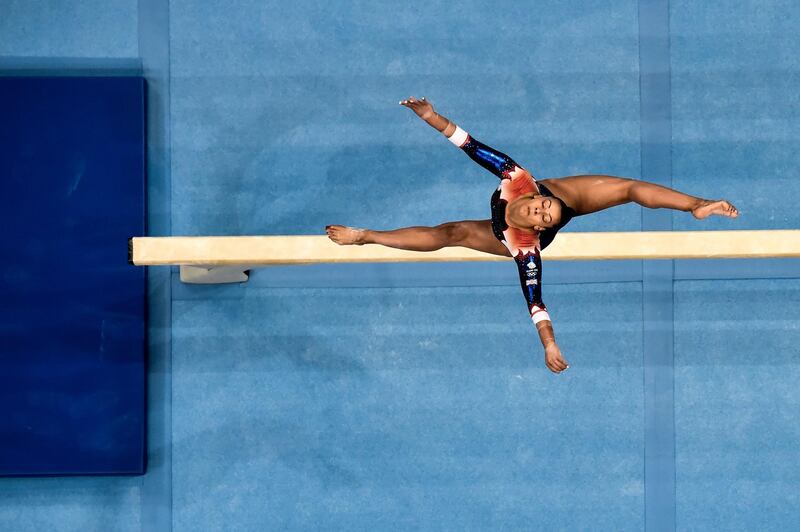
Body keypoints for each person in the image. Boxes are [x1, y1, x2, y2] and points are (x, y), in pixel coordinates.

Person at [326, 97, 739, 374]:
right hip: (567, 195)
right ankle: (696, 202)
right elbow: (470, 145)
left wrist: (549, 344)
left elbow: (536, 301)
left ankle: (367, 236)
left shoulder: (525, 248)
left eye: (544, 215)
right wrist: (430, 115)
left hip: (499, 232)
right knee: (623, 186)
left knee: (449, 233)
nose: (538, 207)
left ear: (541, 229)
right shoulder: (519, 177)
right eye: (543, 203)